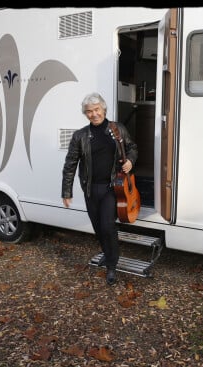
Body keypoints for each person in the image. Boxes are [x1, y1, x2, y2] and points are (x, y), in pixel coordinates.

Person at [61, 92, 138, 285]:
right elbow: (70, 164)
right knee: (97, 228)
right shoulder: (80, 136)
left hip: (112, 188)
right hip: (90, 189)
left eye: (96, 109)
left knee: (107, 226)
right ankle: (107, 252)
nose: (94, 114)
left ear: (103, 109)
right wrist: (67, 192)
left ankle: (112, 266)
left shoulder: (117, 129)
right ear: (85, 114)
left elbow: (133, 148)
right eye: (89, 111)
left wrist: (130, 161)